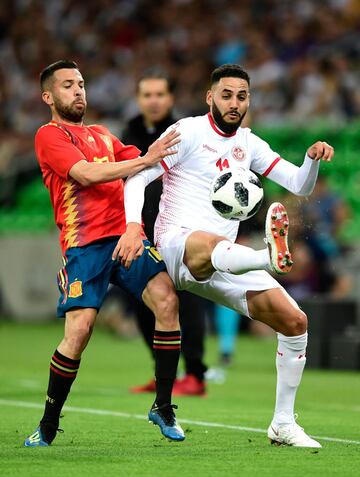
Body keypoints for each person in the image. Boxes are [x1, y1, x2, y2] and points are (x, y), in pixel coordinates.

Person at [115, 64, 335, 448]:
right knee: (211, 245)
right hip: (177, 245)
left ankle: (283, 424)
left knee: (295, 321)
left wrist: (312, 159)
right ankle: (269, 257)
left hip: (227, 258)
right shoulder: (186, 131)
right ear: (210, 97)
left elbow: (299, 185)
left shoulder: (249, 144)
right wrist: (134, 225)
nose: (235, 103)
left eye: (242, 96)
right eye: (227, 95)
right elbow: (138, 177)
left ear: (249, 99)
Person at [24, 60, 185, 446]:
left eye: (80, 83)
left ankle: (163, 406)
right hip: (84, 246)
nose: (78, 90)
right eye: (67, 85)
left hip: (125, 240)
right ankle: (48, 423)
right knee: (79, 332)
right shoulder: (48, 136)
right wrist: (145, 160)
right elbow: (86, 174)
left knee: (166, 300)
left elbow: (146, 164)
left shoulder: (102, 134)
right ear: (49, 96)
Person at [121, 69, 208, 396]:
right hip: (141, 230)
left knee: (187, 299)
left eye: (160, 94)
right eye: (147, 95)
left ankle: (196, 374)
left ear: (170, 98)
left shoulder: (185, 131)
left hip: (180, 227)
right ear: (139, 99)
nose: (154, 101)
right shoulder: (129, 131)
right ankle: (162, 373)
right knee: (143, 302)